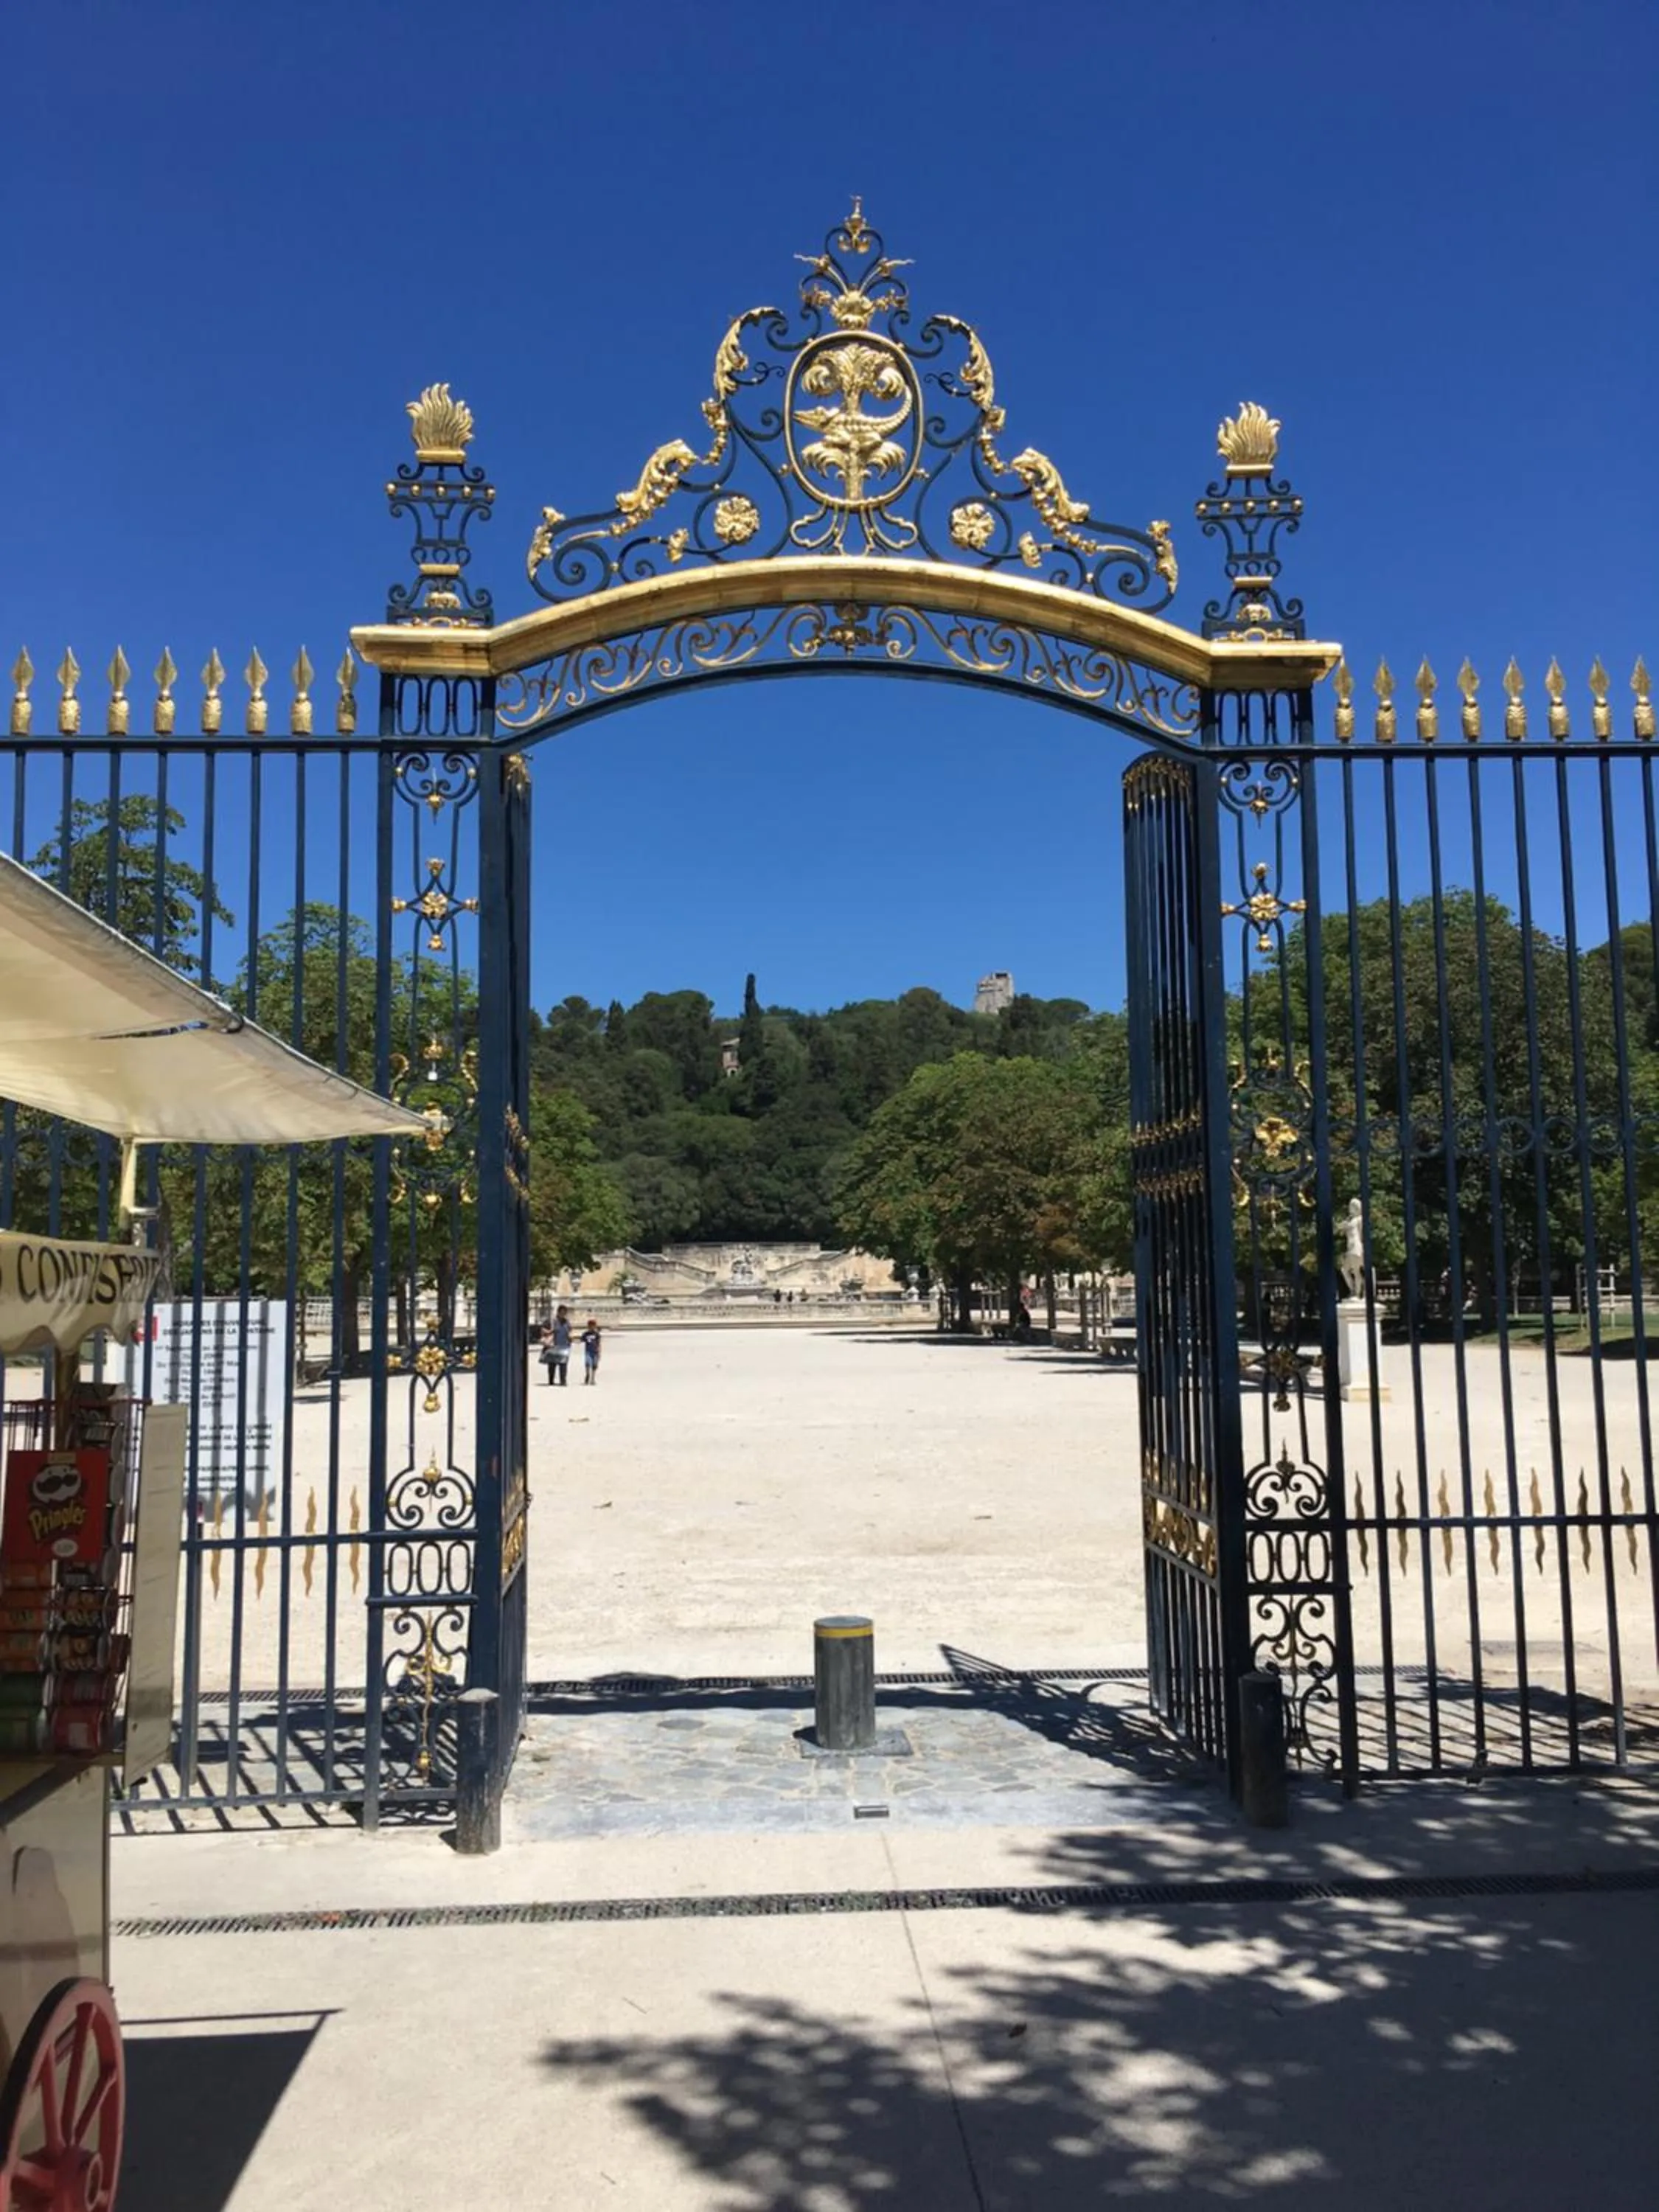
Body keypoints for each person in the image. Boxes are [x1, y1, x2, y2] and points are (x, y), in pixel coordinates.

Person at [542, 1304, 572, 1386]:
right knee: (552, 1364)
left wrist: (570, 1338)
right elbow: (543, 1329)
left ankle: (563, 1381)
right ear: (558, 1312)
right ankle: (551, 1380)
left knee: (563, 1364)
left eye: (564, 1312)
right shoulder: (552, 1321)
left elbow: (569, 1331)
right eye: (561, 1312)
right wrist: (550, 1332)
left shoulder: (567, 1322)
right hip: (553, 1345)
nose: (563, 1314)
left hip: (564, 1346)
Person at [581, 1315, 602, 1385]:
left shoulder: (597, 1334)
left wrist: (599, 1352)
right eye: (590, 1325)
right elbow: (581, 1340)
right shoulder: (586, 1334)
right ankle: (587, 1374)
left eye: (593, 1325)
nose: (592, 1327)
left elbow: (599, 1343)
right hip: (588, 1351)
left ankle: (593, 1378)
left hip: (595, 1352)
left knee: (594, 1365)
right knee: (587, 1363)